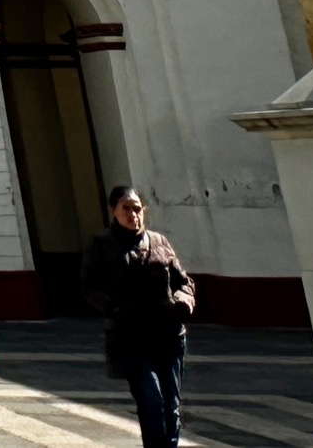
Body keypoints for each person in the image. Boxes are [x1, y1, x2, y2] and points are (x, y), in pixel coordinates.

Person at [82, 186, 196, 448]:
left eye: (137, 208)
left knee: (171, 406)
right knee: (151, 401)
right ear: (114, 211)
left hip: (168, 335)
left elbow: (184, 281)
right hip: (130, 338)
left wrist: (183, 301)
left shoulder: (159, 242)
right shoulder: (101, 245)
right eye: (126, 208)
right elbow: (89, 287)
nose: (133, 214)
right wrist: (115, 307)